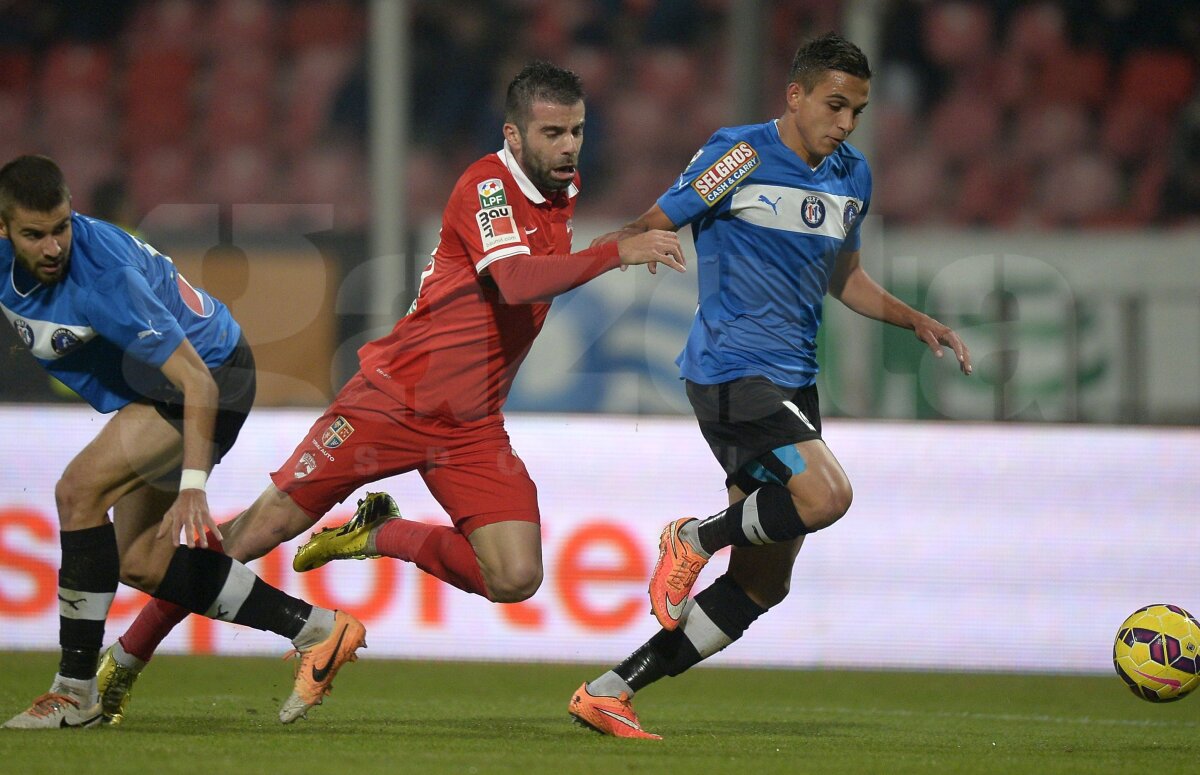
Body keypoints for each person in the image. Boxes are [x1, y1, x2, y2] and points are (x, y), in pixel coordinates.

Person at [94, 61, 685, 723]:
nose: (570, 145)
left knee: (516, 576)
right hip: (389, 401)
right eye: (553, 132)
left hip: (470, 424)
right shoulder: (485, 184)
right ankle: (125, 656)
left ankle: (381, 533)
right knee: (249, 536)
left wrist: (625, 236)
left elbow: (546, 265)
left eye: (576, 130)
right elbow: (516, 282)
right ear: (514, 135)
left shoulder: (562, 189)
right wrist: (616, 255)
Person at [566, 33, 974, 739]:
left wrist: (913, 319)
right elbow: (650, 223)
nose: (845, 123)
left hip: (793, 381)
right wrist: (645, 243)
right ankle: (694, 537)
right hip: (731, 369)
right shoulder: (741, 153)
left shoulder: (853, 174)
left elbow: (843, 277)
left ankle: (610, 689)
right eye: (834, 105)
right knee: (828, 495)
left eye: (857, 111)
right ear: (796, 95)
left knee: (763, 582)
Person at [0, 155, 366, 729]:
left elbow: (194, 378)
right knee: (140, 560)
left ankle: (74, 693)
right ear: (4, 230)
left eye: (61, 227)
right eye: (35, 234)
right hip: (162, 388)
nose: (53, 247)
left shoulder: (104, 278)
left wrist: (192, 488)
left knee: (78, 492)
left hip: (209, 378)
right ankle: (316, 628)